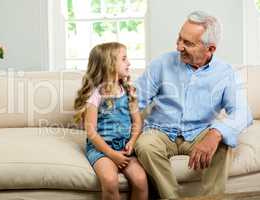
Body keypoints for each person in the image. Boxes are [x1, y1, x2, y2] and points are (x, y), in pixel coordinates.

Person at [134, 11, 253, 199]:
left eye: (188, 43)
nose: (179, 47)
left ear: (210, 48)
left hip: (199, 132)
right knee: (145, 145)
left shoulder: (226, 73)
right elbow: (135, 100)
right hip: (160, 130)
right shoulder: (162, 63)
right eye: (179, 39)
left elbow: (242, 113)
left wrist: (215, 134)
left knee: (223, 145)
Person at [74, 42, 148, 200]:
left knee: (141, 181)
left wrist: (132, 142)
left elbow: (137, 122)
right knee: (109, 181)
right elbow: (91, 131)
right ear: (109, 64)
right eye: (124, 59)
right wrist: (111, 154)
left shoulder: (129, 91)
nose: (129, 63)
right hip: (101, 149)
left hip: (125, 147)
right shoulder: (96, 94)